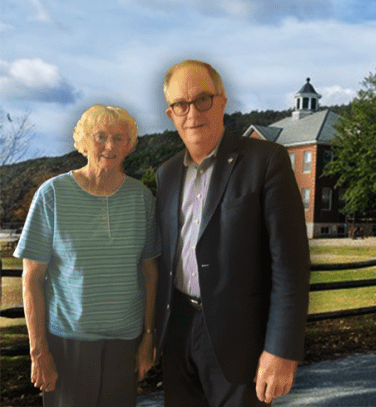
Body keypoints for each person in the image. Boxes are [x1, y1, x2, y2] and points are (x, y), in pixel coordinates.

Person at [155, 60, 311, 406]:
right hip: (178, 334)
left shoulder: (265, 160)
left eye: (202, 100)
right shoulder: (166, 174)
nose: (192, 113)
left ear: (222, 101)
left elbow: (290, 265)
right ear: (170, 114)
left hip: (240, 340)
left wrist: (282, 350)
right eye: (181, 104)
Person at [15, 105, 160, 407]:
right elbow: (32, 279)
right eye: (100, 137)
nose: (110, 146)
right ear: (83, 141)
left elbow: (149, 273)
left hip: (125, 344)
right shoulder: (52, 194)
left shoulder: (142, 198)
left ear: (129, 145)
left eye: (119, 138)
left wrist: (148, 336)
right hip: (67, 345)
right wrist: (38, 349)